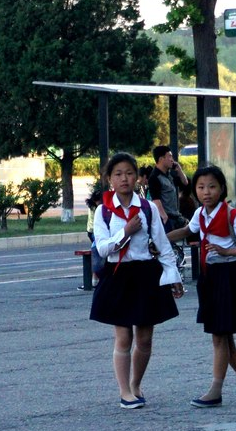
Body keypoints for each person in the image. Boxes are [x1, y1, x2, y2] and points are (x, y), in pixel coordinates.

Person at [89, 152, 185, 409]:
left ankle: (136, 385)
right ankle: (124, 392)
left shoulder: (147, 208)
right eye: (118, 174)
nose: (124, 179)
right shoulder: (103, 211)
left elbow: (163, 246)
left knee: (144, 338)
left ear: (137, 178)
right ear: (109, 178)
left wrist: (173, 277)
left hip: (145, 275)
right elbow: (102, 249)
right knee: (123, 338)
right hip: (118, 276)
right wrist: (125, 232)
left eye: (129, 173)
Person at [167, 165, 236, 408]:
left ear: (221, 189)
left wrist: (226, 250)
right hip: (210, 279)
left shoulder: (234, 216)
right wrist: (158, 238)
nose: (206, 192)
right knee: (224, 340)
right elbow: (187, 231)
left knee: (220, 336)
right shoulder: (200, 214)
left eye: (212, 186)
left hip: (231, 278)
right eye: (200, 187)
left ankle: (215, 391)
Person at [147, 145, 188, 231]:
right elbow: (156, 200)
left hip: (176, 216)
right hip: (167, 219)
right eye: (169, 156)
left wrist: (179, 170)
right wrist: (164, 217)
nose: (172, 160)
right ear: (161, 159)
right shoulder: (155, 177)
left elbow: (185, 182)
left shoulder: (170, 174)